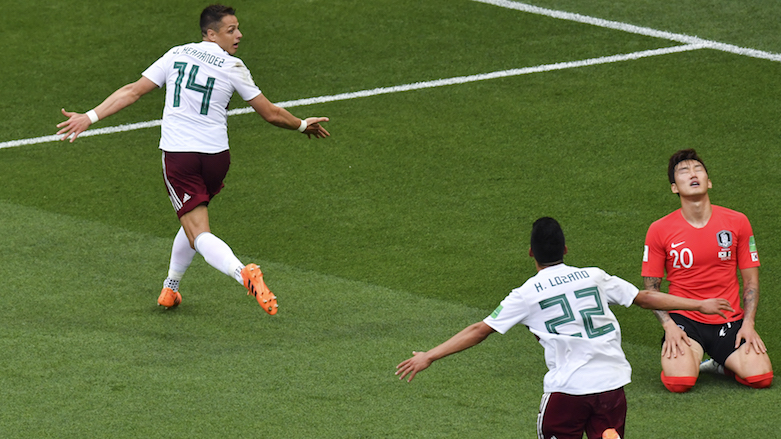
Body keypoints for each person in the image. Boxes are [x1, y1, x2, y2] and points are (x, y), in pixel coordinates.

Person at [56, 5, 330, 314]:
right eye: (231, 30)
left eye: (238, 28)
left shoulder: (177, 54)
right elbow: (271, 114)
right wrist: (303, 124)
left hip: (180, 156)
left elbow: (133, 91)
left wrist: (89, 117)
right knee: (192, 216)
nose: (239, 35)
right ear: (211, 34)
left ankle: (243, 273)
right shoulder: (234, 66)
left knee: (198, 231)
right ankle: (170, 289)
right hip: (216, 158)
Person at [396, 217, 733, 439]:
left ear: (531, 253)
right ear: (566, 249)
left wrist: (430, 355)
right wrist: (699, 304)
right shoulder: (594, 275)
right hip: (612, 386)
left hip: (569, 391)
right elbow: (644, 297)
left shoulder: (526, 293)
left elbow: (479, 330)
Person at [642, 149, 773, 391]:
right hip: (686, 321)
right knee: (678, 383)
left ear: (708, 181)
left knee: (761, 378)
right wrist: (669, 325)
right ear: (674, 187)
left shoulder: (738, 222)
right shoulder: (659, 229)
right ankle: (691, 358)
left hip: (729, 319)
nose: (692, 174)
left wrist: (748, 323)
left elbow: (751, 282)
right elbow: (651, 289)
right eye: (684, 171)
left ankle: (721, 363)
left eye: (698, 169)